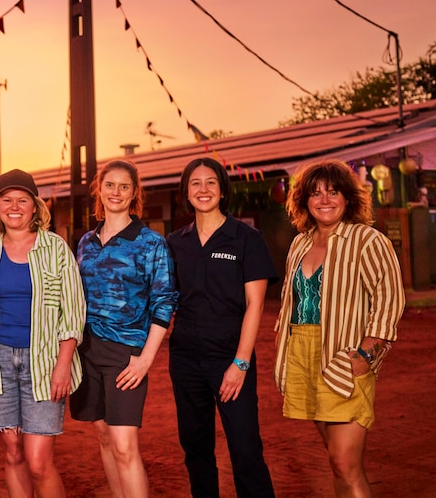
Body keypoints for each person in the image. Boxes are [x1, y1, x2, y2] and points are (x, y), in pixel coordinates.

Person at [274, 159, 405, 498]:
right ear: (304, 201)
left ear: (348, 197)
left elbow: (389, 300)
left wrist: (366, 354)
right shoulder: (299, 244)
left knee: (346, 463)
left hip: (343, 353)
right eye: (315, 193)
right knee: (335, 461)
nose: (325, 200)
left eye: (333, 192)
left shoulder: (368, 240)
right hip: (303, 352)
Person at [0, 169, 86, 498]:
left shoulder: (56, 249)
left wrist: (63, 364)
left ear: (35, 207)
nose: (15, 206)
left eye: (23, 200)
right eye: (7, 200)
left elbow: (73, 312)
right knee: (13, 452)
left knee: (38, 461)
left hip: (44, 364)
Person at [166, 157, 276, 498]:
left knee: (245, 450)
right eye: (195, 183)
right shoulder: (174, 242)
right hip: (185, 359)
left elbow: (255, 305)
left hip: (231, 356)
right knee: (196, 450)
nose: (203, 189)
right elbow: (162, 299)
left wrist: (240, 364)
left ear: (222, 189)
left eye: (211, 182)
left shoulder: (246, 237)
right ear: (186, 191)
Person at [70, 159, 178, 498]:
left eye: (124, 186)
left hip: (126, 355)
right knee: (104, 438)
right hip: (86, 351)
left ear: (134, 194)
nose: (116, 192)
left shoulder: (150, 243)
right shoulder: (86, 242)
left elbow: (165, 301)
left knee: (124, 446)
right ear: (99, 191)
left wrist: (145, 359)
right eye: (110, 185)